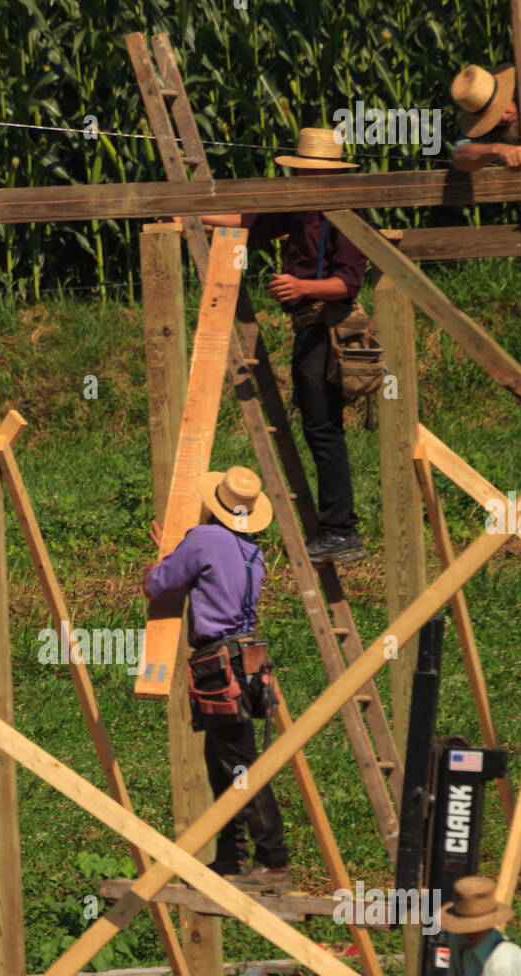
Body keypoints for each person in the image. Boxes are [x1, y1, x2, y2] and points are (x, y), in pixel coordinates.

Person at [177, 127, 369, 565]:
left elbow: (349, 281)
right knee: (317, 427)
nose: (300, 178)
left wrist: (302, 284)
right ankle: (337, 528)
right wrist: (190, 218)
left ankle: (341, 532)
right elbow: (249, 222)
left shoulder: (343, 214)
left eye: (305, 172)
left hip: (328, 327)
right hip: (310, 327)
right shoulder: (300, 210)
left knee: (324, 430)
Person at [143, 465, 291, 890]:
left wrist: (165, 560)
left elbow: (157, 584)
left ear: (214, 504)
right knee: (222, 759)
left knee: (240, 763)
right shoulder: (254, 553)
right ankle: (230, 858)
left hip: (218, 661)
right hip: (246, 658)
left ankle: (271, 859)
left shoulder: (203, 538)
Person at [450, 64, 521, 171]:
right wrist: (498, 149)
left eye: (501, 107)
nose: (503, 118)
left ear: (511, 94)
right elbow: (459, 157)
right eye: (493, 117)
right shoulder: (489, 132)